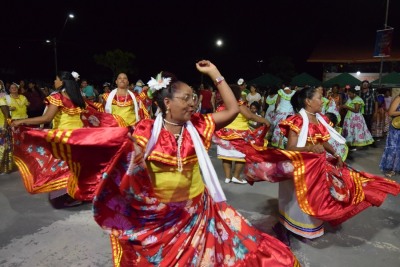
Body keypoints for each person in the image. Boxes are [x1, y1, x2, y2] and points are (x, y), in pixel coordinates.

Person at [87, 60, 299, 266]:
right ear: (167, 103)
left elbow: (233, 109)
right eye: (186, 98)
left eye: (194, 98)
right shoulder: (147, 129)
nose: (193, 103)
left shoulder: (198, 125)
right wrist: (133, 154)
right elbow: (129, 157)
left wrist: (215, 73)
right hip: (162, 215)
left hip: (198, 209)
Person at [219, 86, 400, 246]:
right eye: (319, 98)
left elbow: (324, 140)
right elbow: (291, 147)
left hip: (318, 165)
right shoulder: (297, 121)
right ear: (308, 101)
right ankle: (299, 228)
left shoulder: (319, 119)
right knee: (303, 200)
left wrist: (334, 152)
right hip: (301, 167)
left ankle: (313, 224)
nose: (322, 101)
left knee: (344, 186)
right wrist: (310, 148)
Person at [11, 71, 125, 208]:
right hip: (80, 137)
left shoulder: (57, 97)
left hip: (64, 138)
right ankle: (78, 194)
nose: (54, 82)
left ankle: (70, 196)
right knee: (75, 168)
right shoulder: (78, 97)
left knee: (60, 168)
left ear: (62, 82)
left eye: (56, 79)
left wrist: (21, 121)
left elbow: (47, 118)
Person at [214, 85, 270, 185]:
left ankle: (227, 177)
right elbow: (250, 116)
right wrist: (264, 120)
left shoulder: (221, 106)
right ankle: (236, 176)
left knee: (226, 156)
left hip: (224, 134)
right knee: (242, 155)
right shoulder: (238, 105)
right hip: (239, 135)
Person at [379, 94, 400, 178]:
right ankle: (391, 169)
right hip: (397, 127)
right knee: (394, 148)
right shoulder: (398, 98)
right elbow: (391, 112)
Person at [0, 81, 13, 174]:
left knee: (3, 148)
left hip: (2, 127)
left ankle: (4, 168)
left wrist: (5, 127)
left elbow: (7, 115)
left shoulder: (1, 100)